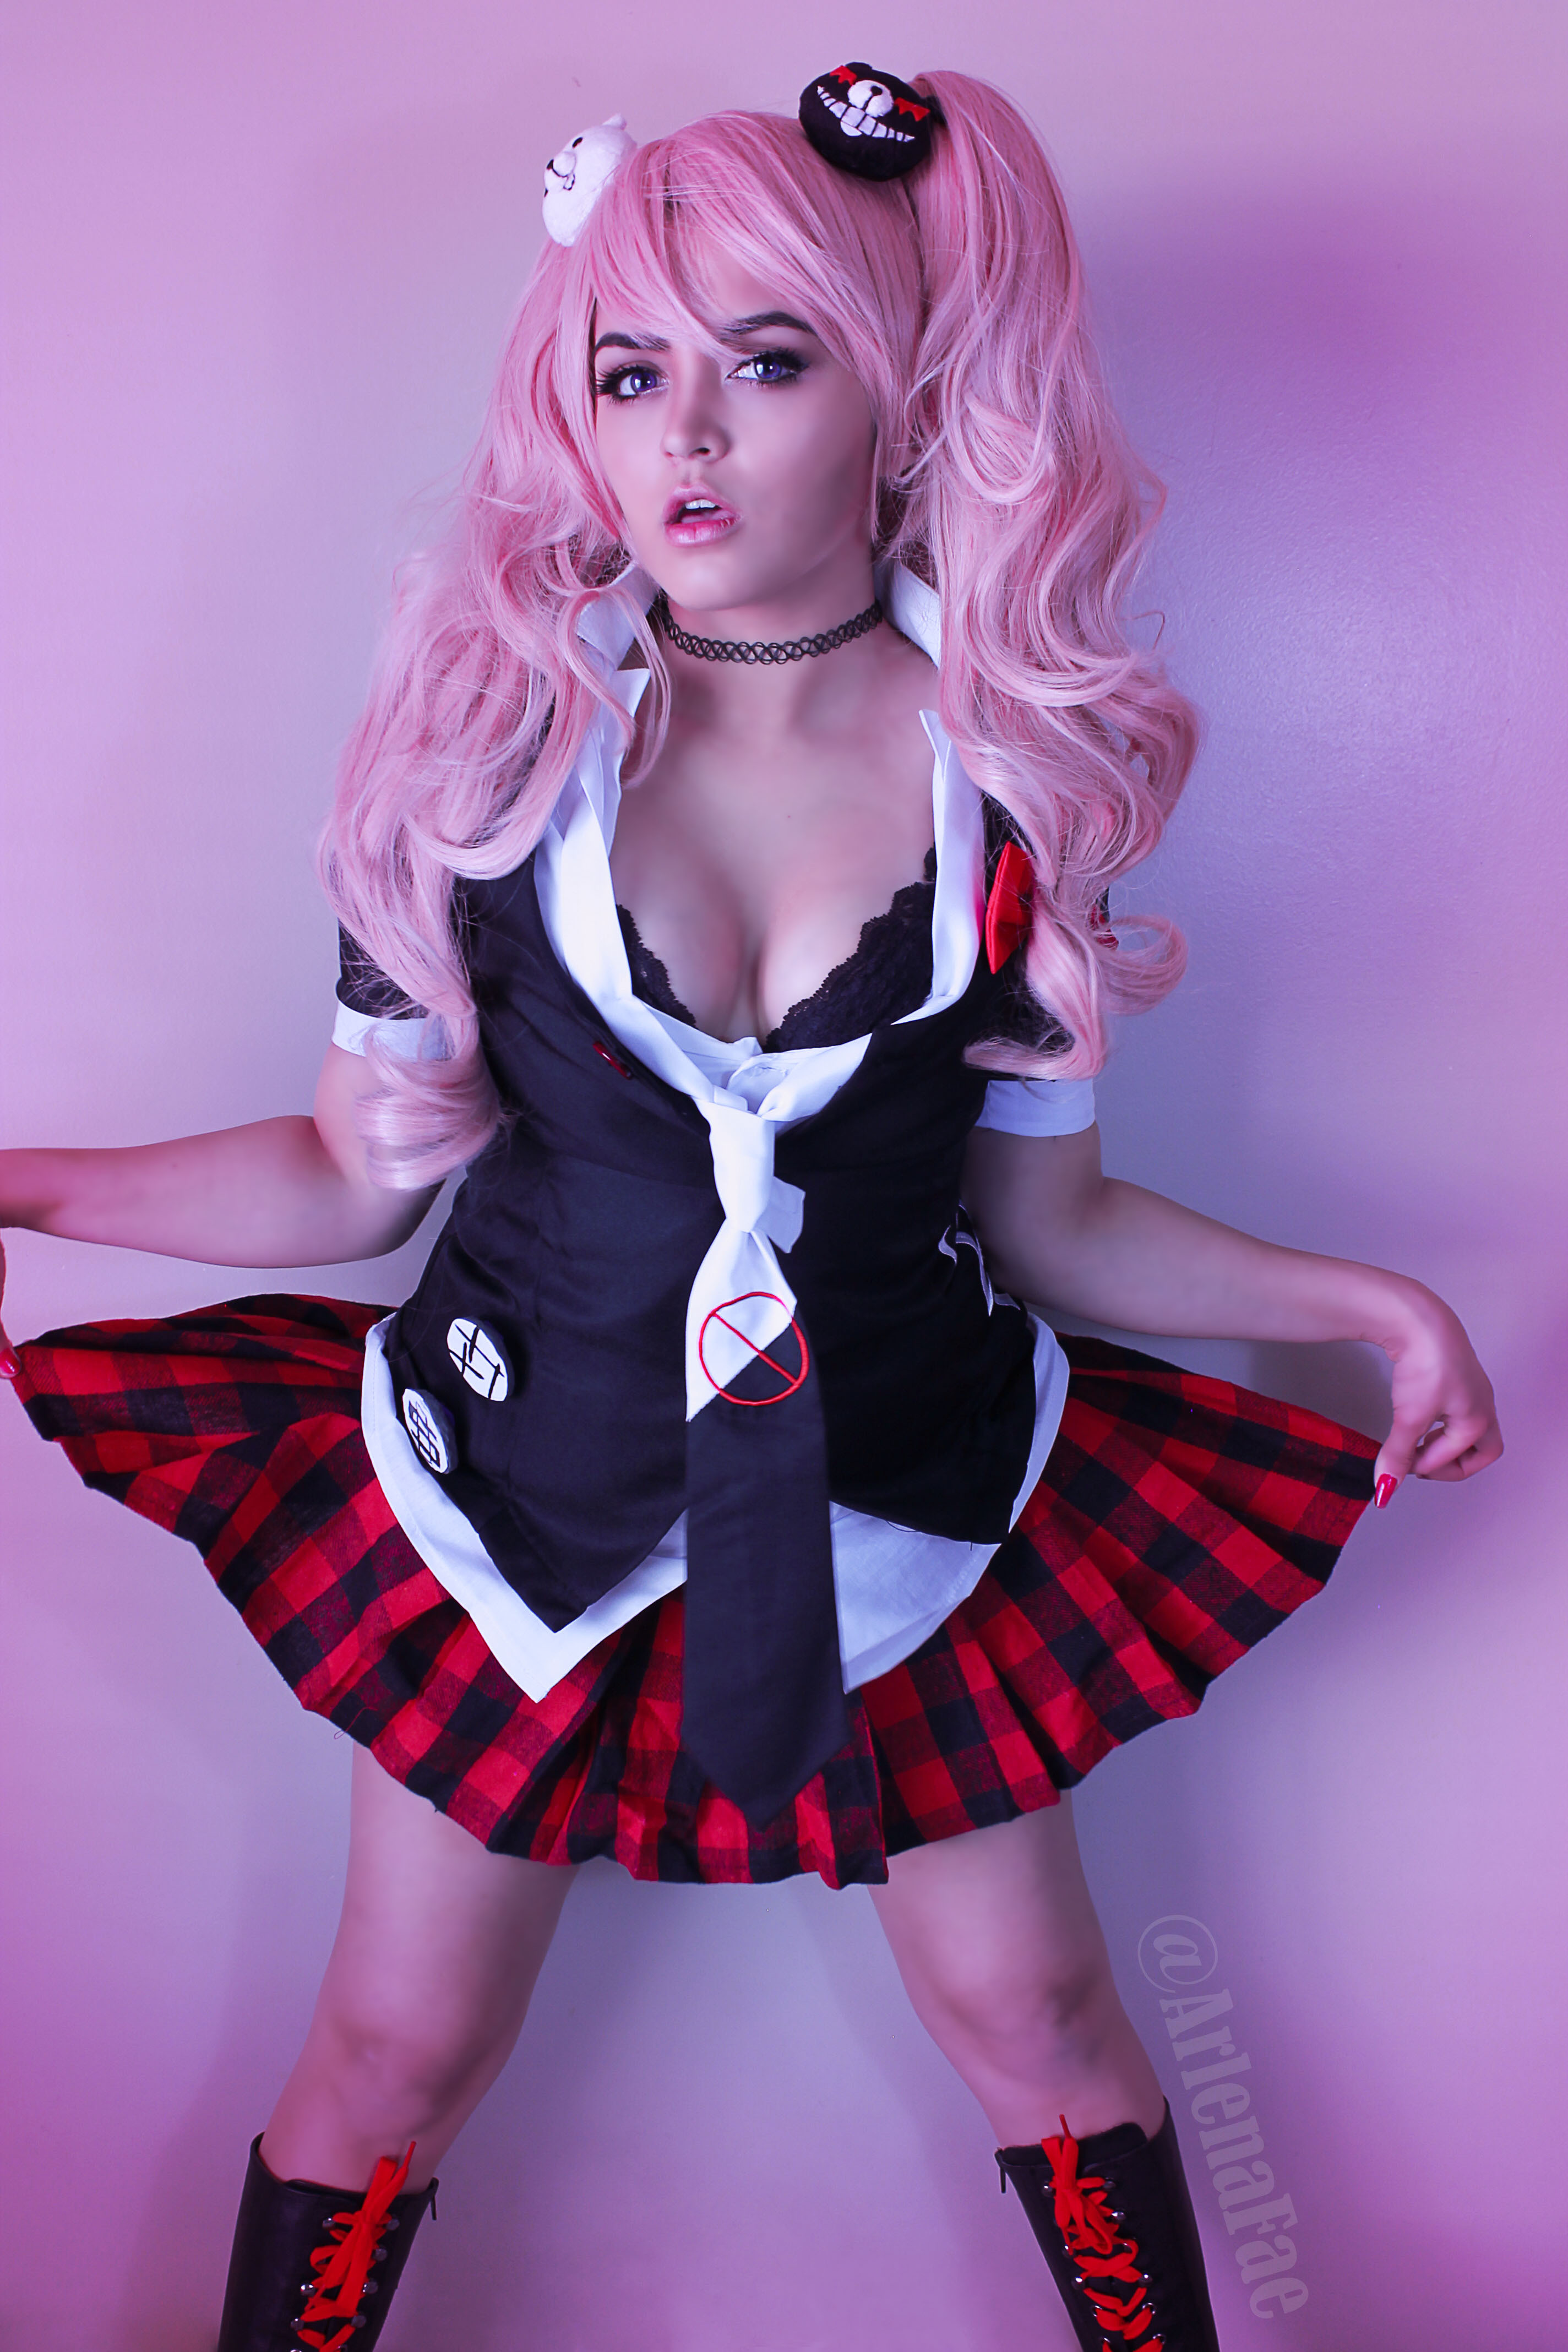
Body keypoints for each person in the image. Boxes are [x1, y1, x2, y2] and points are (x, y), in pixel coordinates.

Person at [0, 65, 1501, 2352]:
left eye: (767, 364)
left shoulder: (1020, 782)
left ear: (894, 399)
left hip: (900, 1491)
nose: (685, 438)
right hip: (520, 1486)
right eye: (631, 373)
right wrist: (18, 1188)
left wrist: (1370, 1302)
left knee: (1041, 2015)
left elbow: (1057, 1228)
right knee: (395, 2050)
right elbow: (347, 1172)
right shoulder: (488, 747)